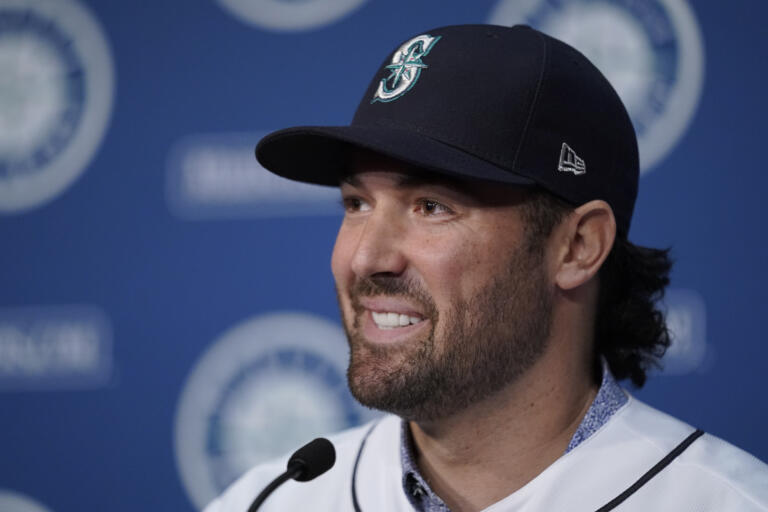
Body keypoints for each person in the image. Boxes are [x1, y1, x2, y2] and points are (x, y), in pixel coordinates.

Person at [204, 24, 768, 512]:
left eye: (432, 207)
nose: (366, 257)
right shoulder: (272, 501)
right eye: (357, 204)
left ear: (577, 247)